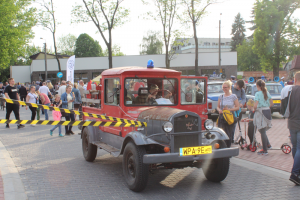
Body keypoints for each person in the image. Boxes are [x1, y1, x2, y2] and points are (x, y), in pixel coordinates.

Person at [284, 72, 300, 185]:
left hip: (291, 122)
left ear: (295, 79)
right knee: (299, 147)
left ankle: (297, 171)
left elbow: (284, 107)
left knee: (295, 147)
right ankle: (295, 173)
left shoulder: (288, 90)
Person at [216, 81, 239, 147]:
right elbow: (218, 106)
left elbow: (237, 107)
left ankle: (228, 147)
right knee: (221, 132)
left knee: (228, 134)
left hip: (230, 117)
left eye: (225, 87)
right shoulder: (221, 96)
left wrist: (229, 109)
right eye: (223, 87)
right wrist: (219, 110)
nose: (224, 89)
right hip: (222, 117)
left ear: (229, 87)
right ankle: (221, 147)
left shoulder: (233, 96)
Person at [253, 79, 273, 155]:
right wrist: (267, 107)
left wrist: (253, 109)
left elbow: (255, 105)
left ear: (257, 86)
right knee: (262, 130)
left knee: (262, 130)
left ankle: (264, 149)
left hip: (260, 112)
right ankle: (268, 144)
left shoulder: (258, 94)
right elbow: (272, 103)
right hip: (267, 111)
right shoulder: (267, 92)